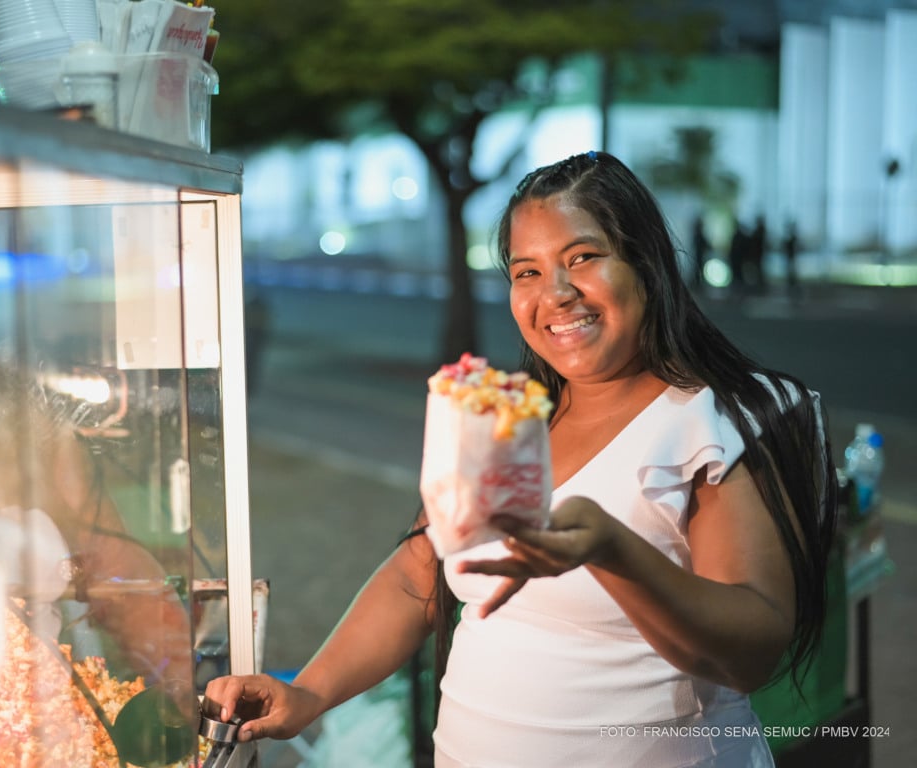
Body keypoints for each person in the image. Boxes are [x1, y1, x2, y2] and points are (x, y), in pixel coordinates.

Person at [204, 152, 837, 767]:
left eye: (583, 257)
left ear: (646, 264)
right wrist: (310, 693)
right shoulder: (508, 415)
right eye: (526, 271)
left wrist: (613, 551)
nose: (556, 293)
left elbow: (753, 651)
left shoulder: (719, 417)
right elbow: (418, 572)